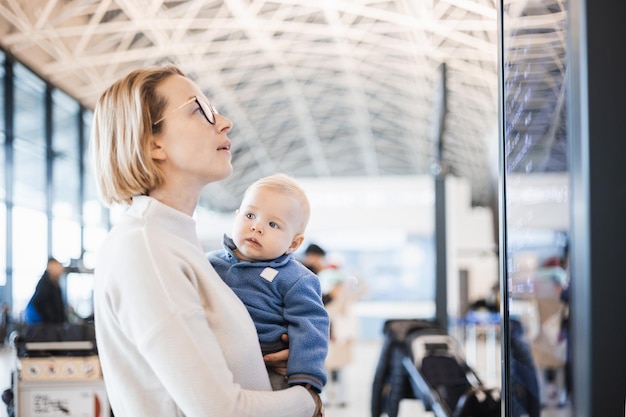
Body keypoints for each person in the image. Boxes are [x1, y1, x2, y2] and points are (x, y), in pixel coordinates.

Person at [90, 65, 323, 417]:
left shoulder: (175, 242)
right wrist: (308, 398)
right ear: (153, 143)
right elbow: (221, 410)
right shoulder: (148, 250)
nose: (225, 121)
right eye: (200, 110)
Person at [207, 173, 329, 393]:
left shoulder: (295, 278)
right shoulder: (210, 263)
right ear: (237, 216)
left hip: (270, 366)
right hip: (214, 361)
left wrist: (305, 374)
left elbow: (311, 325)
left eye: (273, 224)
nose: (257, 227)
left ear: (294, 243)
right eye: (250, 215)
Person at [24, 257, 66, 324]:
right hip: (41, 325)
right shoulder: (44, 284)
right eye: (57, 266)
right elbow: (39, 302)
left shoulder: (55, 284)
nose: (60, 269)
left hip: (50, 325)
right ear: (50, 267)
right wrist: (51, 319)